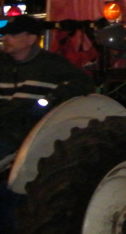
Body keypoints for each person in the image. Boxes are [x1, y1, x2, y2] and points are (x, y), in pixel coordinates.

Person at [0, 15, 94, 158]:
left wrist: (51, 99)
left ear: (31, 39)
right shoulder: (3, 64)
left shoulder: (51, 65)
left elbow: (83, 84)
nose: (5, 38)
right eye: (4, 34)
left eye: (12, 34)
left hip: (29, 132)